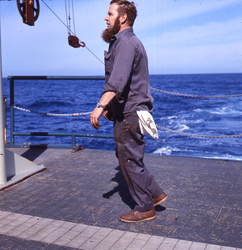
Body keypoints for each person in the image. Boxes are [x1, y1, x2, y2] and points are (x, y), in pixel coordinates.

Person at [90, 0, 167, 223]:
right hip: (131, 110)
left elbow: (118, 81)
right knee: (128, 156)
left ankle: (144, 208)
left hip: (130, 114)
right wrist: (111, 108)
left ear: (122, 17)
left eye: (110, 13)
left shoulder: (126, 43)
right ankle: (155, 194)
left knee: (128, 159)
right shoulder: (130, 41)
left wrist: (100, 106)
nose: (106, 18)